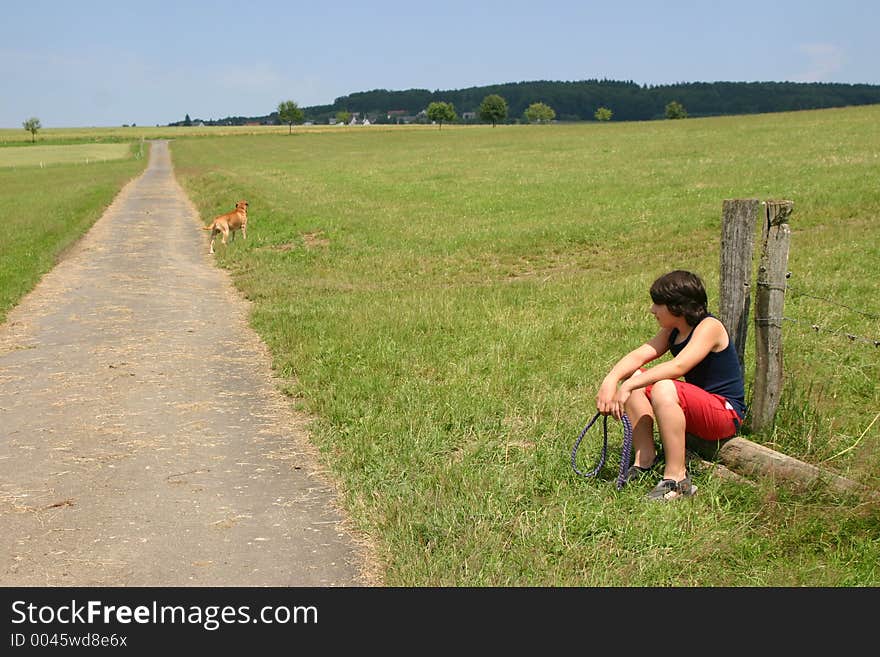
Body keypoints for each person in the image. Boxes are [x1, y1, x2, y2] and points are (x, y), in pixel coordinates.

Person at [595, 270, 746, 501]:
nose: (652, 310)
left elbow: (679, 367)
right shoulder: (673, 330)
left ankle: (677, 480)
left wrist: (627, 386)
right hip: (697, 407)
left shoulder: (709, 326)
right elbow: (640, 355)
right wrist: (612, 380)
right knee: (636, 376)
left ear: (677, 306)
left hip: (725, 414)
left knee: (662, 386)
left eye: (658, 304)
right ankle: (644, 459)